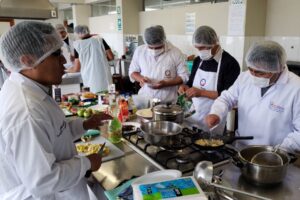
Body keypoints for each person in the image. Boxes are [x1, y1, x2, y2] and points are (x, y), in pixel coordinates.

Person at [0, 21, 112, 199]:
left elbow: (54, 132)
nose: (64, 61)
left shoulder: (32, 90)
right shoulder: (26, 112)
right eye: (56, 54)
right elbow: (43, 180)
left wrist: (85, 124)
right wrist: (87, 163)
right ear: (27, 61)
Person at [205, 40, 300, 153]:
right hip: (241, 149)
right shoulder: (245, 77)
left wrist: (280, 151)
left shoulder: (295, 88)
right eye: (251, 69)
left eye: (260, 72)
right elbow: (227, 98)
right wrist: (216, 113)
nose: (254, 75)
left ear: (278, 69)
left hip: (274, 156)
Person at [178, 26, 240, 133]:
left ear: (215, 43)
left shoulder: (230, 63)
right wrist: (185, 87)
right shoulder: (198, 60)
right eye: (198, 48)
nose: (200, 51)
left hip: (214, 119)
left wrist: (201, 92)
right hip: (194, 116)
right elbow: (190, 83)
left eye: (203, 48)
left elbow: (228, 95)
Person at [129, 25, 189, 103]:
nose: (154, 50)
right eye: (150, 48)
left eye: (158, 47)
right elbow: (133, 71)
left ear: (163, 41)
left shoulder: (175, 53)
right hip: (145, 100)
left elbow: (184, 76)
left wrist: (166, 83)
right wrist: (141, 79)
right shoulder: (140, 51)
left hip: (167, 102)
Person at [67, 25, 114, 93]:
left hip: (90, 78)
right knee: (108, 97)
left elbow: (76, 68)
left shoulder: (77, 45)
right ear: (88, 31)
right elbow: (111, 57)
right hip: (104, 76)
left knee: (93, 98)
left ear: (78, 34)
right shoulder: (99, 40)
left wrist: (68, 70)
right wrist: (101, 59)